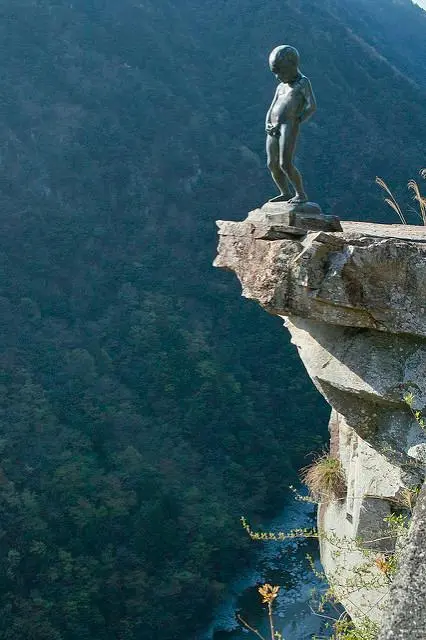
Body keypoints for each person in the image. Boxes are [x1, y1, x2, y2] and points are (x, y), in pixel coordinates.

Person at [265, 45, 316, 203]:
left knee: (285, 163)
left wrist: (298, 119)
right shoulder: (281, 87)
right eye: (276, 73)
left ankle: (300, 194)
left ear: (292, 66)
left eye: (281, 72)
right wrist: (268, 122)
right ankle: (285, 192)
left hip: (289, 125)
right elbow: (272, 106)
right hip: (273, 127)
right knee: (272, 163)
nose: (278, 77)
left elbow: (311, 106)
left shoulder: (302, 83)